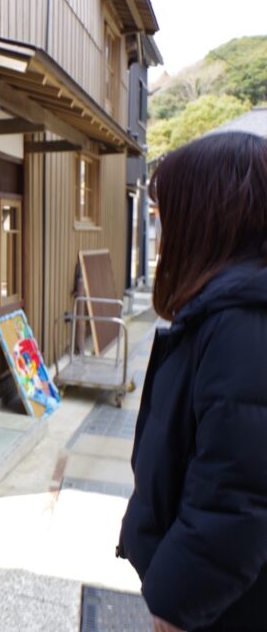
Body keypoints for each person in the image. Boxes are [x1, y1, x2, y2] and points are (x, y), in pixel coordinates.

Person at [117, 132, 267, 632]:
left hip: (219, 609)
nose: (162, 236)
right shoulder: (226, 310)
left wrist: (176, 603)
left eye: (168, 218)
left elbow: (235, 498)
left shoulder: (243, 322)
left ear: (207, 219)